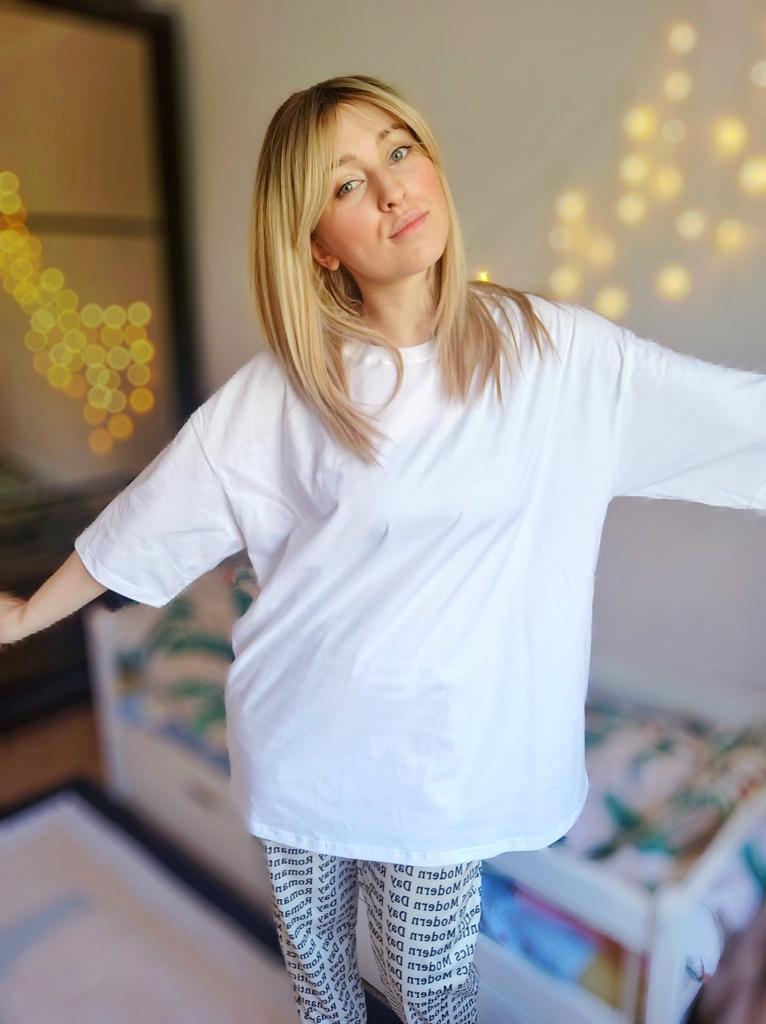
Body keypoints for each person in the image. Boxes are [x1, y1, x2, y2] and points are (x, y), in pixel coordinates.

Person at [1, 73, 765, 1024]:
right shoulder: (288, 389)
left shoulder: (556, 355)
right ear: (320, 243)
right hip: (302, 740)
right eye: (348, 183)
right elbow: (159, 512)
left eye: (399, 152)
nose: (393, 188)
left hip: (441, 765)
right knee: (320, 980)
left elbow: (734, 419)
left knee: (430, 992)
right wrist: (27, 614)